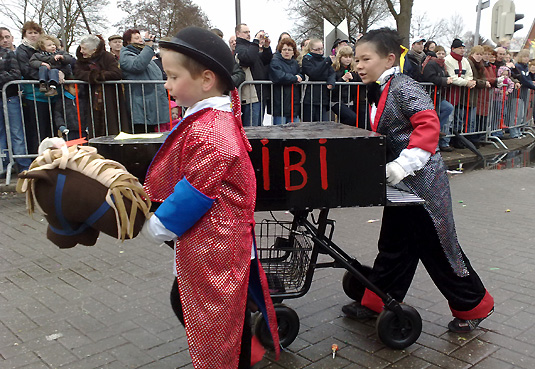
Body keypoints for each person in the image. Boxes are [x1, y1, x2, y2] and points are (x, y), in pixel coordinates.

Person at [141, 26, 279, 368]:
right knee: (208, 307)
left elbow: (196, 191)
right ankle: (241, 352)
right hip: (218, 240)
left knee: (212, 312)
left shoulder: (212, 129)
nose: (167, 84)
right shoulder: (210, 117)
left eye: (172, 76)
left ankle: (235, 357)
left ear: (205, 80)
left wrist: (158, 225)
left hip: (217, 243)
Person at [342, 28, 494, 334]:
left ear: (387, 59)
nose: (357, 65)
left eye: (365, 59)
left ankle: (474, 303)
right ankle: (379, 300)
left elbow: (428, 127)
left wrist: (400, 166)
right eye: (356, 59)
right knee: (394, 244)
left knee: (438, 248)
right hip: (402, 186)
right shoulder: (380, 87)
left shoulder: (405, 87)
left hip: (423, 186)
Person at [74, 34, 130, 138]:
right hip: (90, 97)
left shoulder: (107, 57)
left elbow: (117, 73)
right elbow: (78, 73)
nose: (81, 51)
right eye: (81, 48)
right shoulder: (81, 60)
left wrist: (99, 75)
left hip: (109, 97)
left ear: (94, 50)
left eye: (84, 49)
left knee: (112, 125)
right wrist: (91, 76)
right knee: (94, 127)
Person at [15, 21, 55, 155]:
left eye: (36, 32)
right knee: (37, 130)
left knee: (52, 131)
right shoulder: (22, 50)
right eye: (30, 33)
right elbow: (25, 70)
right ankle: (36, 159)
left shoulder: (46, 48)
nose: (33, 36)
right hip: (34, 95)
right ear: (24, 34)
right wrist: (46, 78)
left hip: (52, 95)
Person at [120, 29, 170, 132]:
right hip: (140, 102)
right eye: (136, 38)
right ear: (128, 41)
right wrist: (148, 47)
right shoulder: (126, 55)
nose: (140, 40)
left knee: (152, 132)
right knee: (142, 133)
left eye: (140, 37)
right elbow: (137, 66)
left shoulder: (142, 53)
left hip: (151, 101)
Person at [0, 36, 33, 175]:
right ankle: (3, 165)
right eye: (1, 38)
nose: (4, 40)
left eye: (7, 37)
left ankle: (23, 165)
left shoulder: (8, 54)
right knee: (1, 133)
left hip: (10, 97)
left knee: (16, 132)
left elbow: (15, 74)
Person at [234, 23, 273, 126]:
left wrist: (266, 47)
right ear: (238, 34)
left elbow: (266, 60)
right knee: (252, 129)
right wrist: (256, 41)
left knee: (259, 128)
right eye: (245, 32)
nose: (248, 34)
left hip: (259, 94)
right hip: (251, 96)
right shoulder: (240, 48)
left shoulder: (251, 47)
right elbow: (249, 59)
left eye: (249, 32)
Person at [444, 38, 476, 149]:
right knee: (449, 118)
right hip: (450, 93)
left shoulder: (465, 61)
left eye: (463, 48)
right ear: (453, 49)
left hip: (461, 93)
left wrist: (468, 81)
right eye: (460, 48)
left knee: (459, 118)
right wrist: (466, 82)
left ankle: (456, 140)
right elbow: (452, 77)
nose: (462, 50)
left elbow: (469, 74)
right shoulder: (448, 60)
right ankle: (445, 141)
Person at [422, 45, 454, 151]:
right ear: (435, 53)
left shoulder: (443, 65)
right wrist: (444, 81)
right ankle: (432, 140)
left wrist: (448, 79)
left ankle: (437, 130)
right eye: (439, 53)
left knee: (448, 108)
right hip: (430, 96)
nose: (441, 55)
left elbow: (445, 75)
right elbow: (429, 77)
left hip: (439, 96)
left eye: (443, 53)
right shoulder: (431, 63)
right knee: (431, 117)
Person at [330, 45, 367, 127]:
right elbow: (333, 88)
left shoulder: (354, 70)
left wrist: (352, 79)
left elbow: (358, 87)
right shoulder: (334, 69)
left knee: (352, 120)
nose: (348, 59)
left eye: (350, 57)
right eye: (345, 57)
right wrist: (342, 79)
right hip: (336, 101)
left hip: (350, 101)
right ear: (340, 57)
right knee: (352, 117)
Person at [268, 37, 302, 124]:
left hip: (294, 104)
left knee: (294, 133)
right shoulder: (275, 61)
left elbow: (301, 74)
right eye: (284, 49)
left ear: (293, 51)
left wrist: (299, 77)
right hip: (280, 104)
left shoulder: (295, 63)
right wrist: (295, 78)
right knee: (279, 133)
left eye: (289, 50)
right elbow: (279, 76)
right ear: (280, 50)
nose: (287, 52)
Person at [301, 38, 335, 121]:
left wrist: (331, 82)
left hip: (322, 97)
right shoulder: (307, 59)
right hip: (310, 98)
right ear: (311, 49)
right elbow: (314, 73)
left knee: (324, 124)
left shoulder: (324, 59)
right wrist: (327, 62)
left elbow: (332, 73)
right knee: (309, 126)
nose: (320, 51)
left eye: (322, 49)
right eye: (317, 49)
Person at [466, 45, 491, 146]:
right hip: (467, 94)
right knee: (467, 119)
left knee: (472, 120)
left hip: (474, 95)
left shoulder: (480, 65)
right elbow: (471, 78)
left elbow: (483, 79)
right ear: (472, 54)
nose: (479, 56)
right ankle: (467, 139)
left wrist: (483, 82)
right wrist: (483, 83)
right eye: (477, 54)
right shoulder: (469, 63)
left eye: (481, 54)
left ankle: (472, 138)